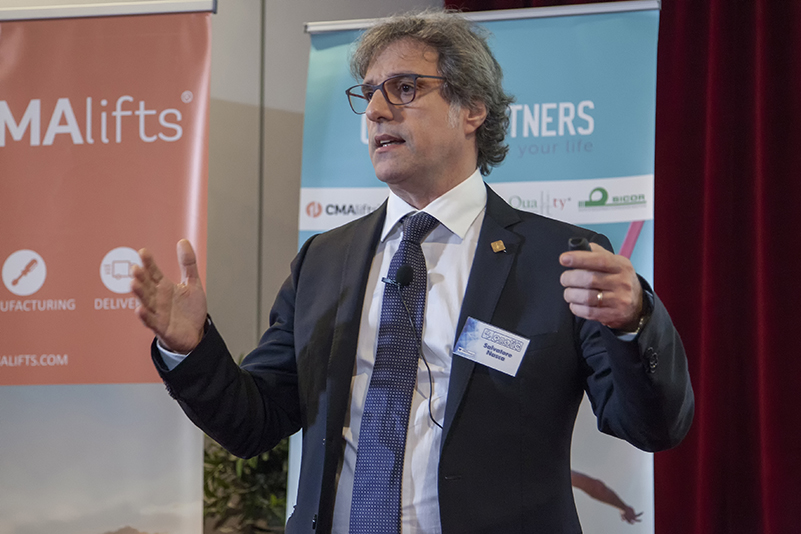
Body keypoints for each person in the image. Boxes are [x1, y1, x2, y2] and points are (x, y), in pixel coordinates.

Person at [131, 9, 693, 534]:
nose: (376, 111)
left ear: (472, 109)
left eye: (404, 88)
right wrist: (190, 348)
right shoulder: (323, 260)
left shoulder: (556, 259)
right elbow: (254, 423)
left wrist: (633, 324)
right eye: (368, 93)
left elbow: (652, 427)